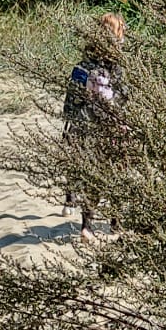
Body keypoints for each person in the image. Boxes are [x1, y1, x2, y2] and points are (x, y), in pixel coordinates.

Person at [62, 12, 128, 240]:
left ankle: (86, 226)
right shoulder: (118, 64)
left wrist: (70, 125)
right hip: (110, 127)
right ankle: (115, 225)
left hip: (84, 125)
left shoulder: (83, 64)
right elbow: (124, 97)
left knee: (92, 174)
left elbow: (71, 99)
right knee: (116, 174)